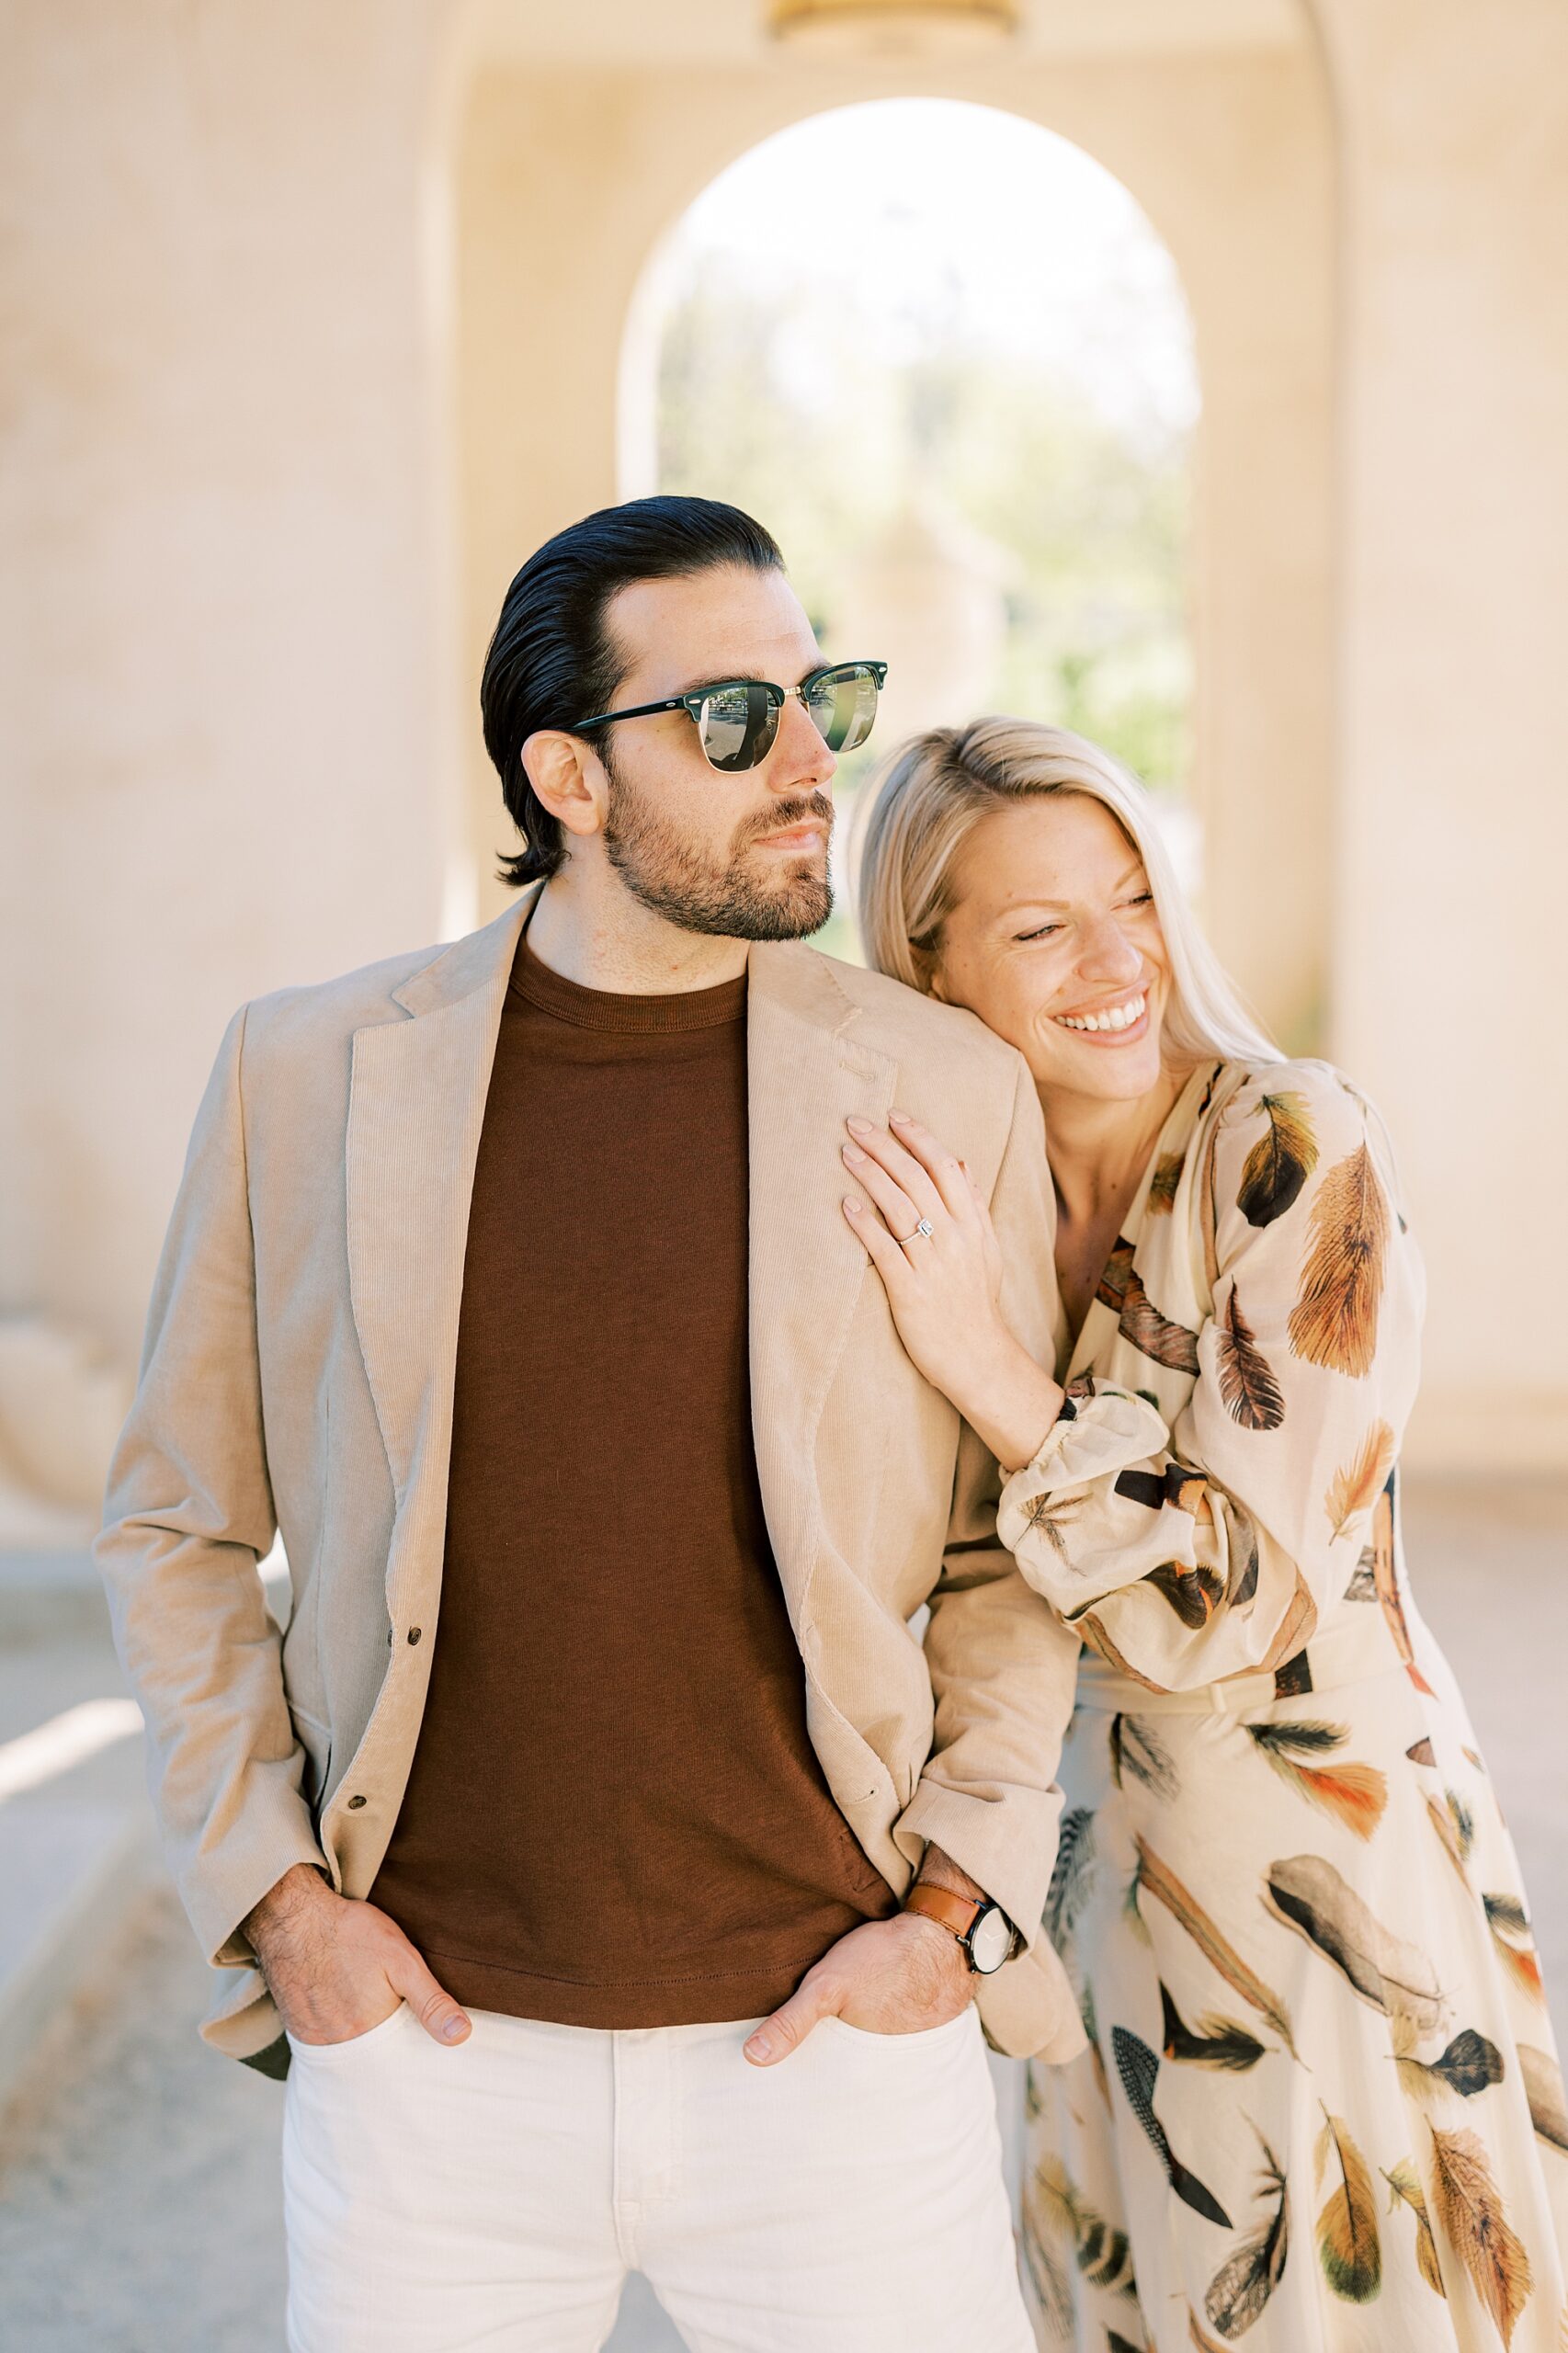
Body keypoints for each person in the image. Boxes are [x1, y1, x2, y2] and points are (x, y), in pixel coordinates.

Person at [96, 499, 1085, 2353]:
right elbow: (174, 1520)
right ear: (567, 771)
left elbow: (1000, 1549)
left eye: (822, 699)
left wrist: (952, 1906)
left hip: (841, 2059)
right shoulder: (303, 1074)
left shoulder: (945, 1087)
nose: (811, 767)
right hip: (430, 2066)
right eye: (732, 719)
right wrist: (284, 1903)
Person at [846, 717, 1567, 2352]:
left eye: (1134, 896)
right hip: (1069, 1865)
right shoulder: (952, 1189)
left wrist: (986, 1367)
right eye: (1039, 929)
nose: (1120, 963)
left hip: (1315, 1860)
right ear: (931, 963)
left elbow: (1231, 1603)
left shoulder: (1288, 1147)